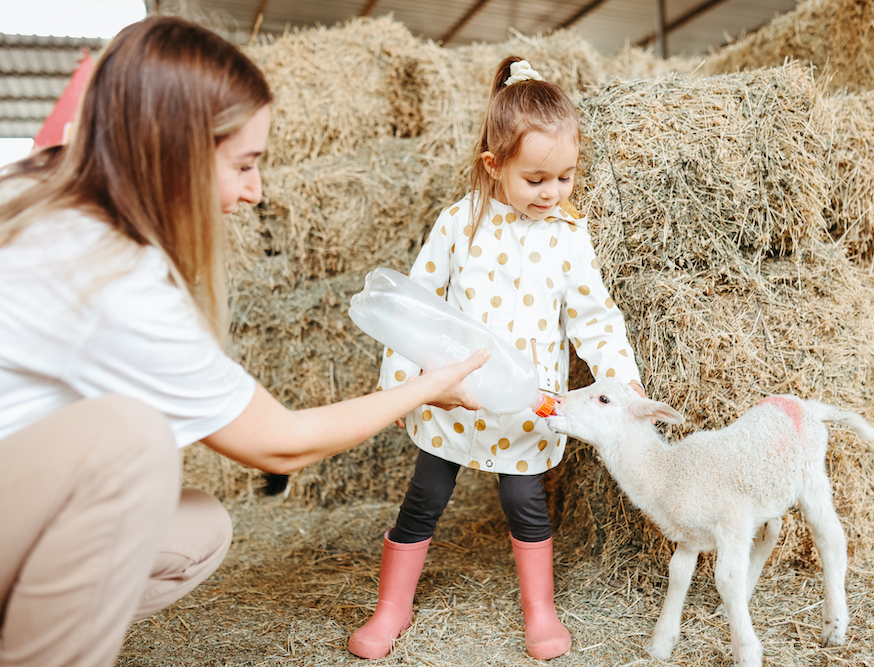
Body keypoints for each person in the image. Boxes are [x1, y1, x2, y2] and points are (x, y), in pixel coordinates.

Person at [0, 16, 488, 667]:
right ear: (174, 150)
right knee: (129, 443)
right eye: (245, 164)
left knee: (198, 528)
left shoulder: (40, 185)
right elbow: (279, 443)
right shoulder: (112, 273)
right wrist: (427, 387)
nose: (256, 191)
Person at [349, 57, 646, 661]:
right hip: (453, 394)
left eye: (565, 177)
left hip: (523, 400)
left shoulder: (569, 234)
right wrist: (407, 386)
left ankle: (540, 610)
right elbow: (417, 306)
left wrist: (621, 378)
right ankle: (392, 607)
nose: (552, 192)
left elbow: (592, 316)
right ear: (495, 165)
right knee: (426, 495)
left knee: (523, 499)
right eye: (536, 178)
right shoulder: (460, 223)